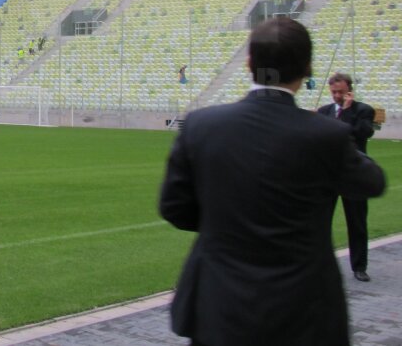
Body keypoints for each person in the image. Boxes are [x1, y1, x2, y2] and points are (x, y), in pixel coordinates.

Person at [159, 17, 385, 346]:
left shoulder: (201, 125)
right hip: (304, 311)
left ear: (249, 63)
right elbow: (372, 182)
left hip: (220, 306)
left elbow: (175, 209)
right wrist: (339, 130)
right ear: (307, 69)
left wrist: (229, 223)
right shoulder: (327, 135)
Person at [317, 72, 377, 282]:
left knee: (357, 222)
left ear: (349, 90)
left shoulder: (363, 110)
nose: (337, 96)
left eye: (341, 92)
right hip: (328, 176)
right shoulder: (324, 112)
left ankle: (359, 266)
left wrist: (347, 111)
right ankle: (320, 265)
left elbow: (361, 133)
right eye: (334, 92)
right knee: (320, 222)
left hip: (353, 175)